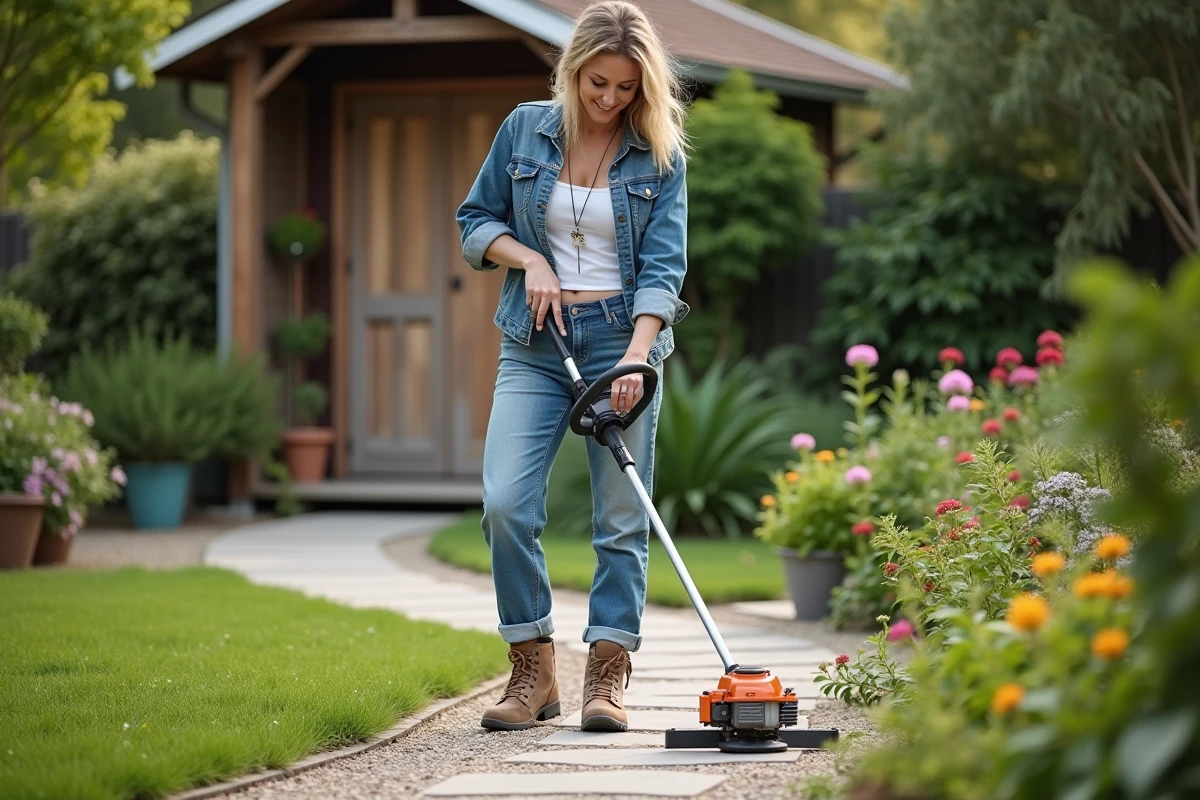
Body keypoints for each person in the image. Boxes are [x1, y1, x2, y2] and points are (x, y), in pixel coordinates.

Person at [455, 0, 690, 733]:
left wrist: (635, 355)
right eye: (598, 84)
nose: (610, 100)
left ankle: (608, 673)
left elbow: (663, 267)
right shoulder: (525, 128)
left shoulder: (660, 155)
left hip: (622, 339)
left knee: (622, 519)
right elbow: (475, 220)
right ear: (573, 70)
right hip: (535, 341)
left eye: (626, 88)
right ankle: (532, 668)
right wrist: (528, 259)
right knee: (505, 503)